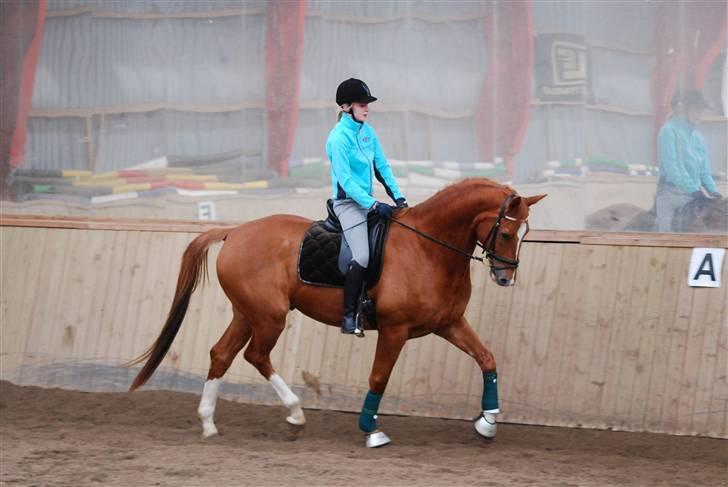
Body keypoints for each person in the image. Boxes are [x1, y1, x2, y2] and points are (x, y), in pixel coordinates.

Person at [326, 78, 407, 335]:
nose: (367, 108)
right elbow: (347, 182)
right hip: (348, 205)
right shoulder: (338, 138)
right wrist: (373, 204)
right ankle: (349, 316)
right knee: (361, 255)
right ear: (347, 106)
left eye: (367, 104)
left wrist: (399, 199)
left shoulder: (367, 132)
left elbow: (382, 167)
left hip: (369, 204)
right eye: (362, 104)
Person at [655, 89, 722, 232]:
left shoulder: (698, 138)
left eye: (701, 110)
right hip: (670, 195)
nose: (700, 114)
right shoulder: (668, 131)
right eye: (697, 109)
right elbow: (673, 168)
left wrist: (714, 191)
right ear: (683, 109)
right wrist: (694, 190)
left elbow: (704, 172)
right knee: (665, 232)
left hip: (694, 196)